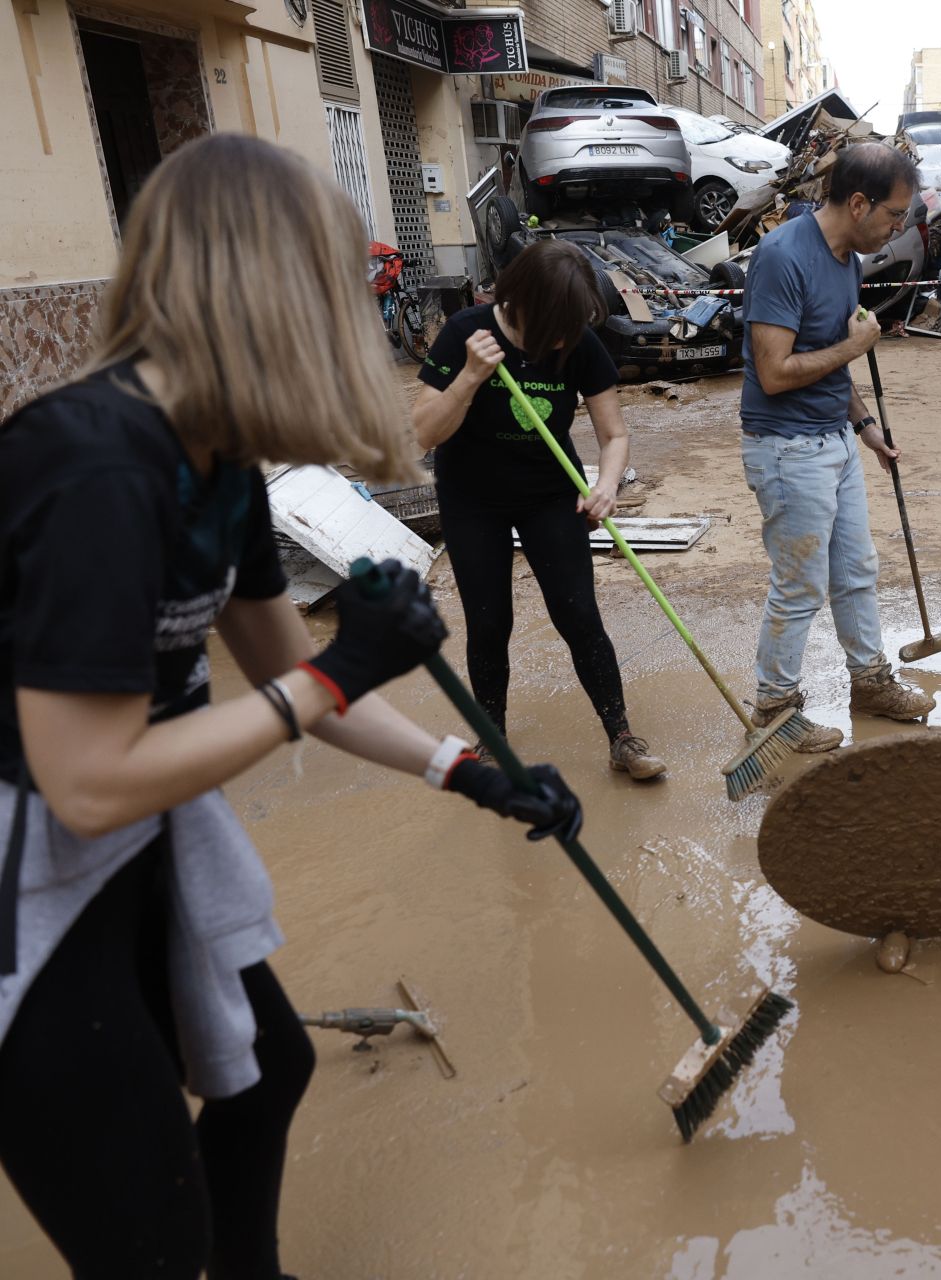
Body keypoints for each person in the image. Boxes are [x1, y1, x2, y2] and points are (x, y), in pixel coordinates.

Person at [0, 135, 581, 1278]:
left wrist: (468, 770)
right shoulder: (94, 467)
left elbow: (296, 688)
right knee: (147, 1231)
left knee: (266, 1070)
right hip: (30, 877)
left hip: (128, 845)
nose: (361, 326)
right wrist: (331, 670)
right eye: (342, 293)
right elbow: (88, 772)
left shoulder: (213, 464)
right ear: (268, 293)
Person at [413, 240, 666, 781]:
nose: (561, 341)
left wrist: (607, 483)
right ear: (522, 302)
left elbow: (613, 433)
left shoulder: (577, 341)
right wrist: (469, 378)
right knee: (488, 621)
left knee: (578, 615)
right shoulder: (466, 334)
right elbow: (422, 435)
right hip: (471, 498)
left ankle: (622, 736)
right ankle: (492, 737)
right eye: (555, 327)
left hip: (551, 495)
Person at [739, 143, 938, 752]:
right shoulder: (782, 257)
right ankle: (774, 708)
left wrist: (865, 425)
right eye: (894, 215)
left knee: (855, 572)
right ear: (858, 203)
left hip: (834, 439)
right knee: (799, 586)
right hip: (786, 449)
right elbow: (774, 373)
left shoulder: (848, 257)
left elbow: (831, 358)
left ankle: (870, 681)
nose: (897, 228)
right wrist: (854, 349)